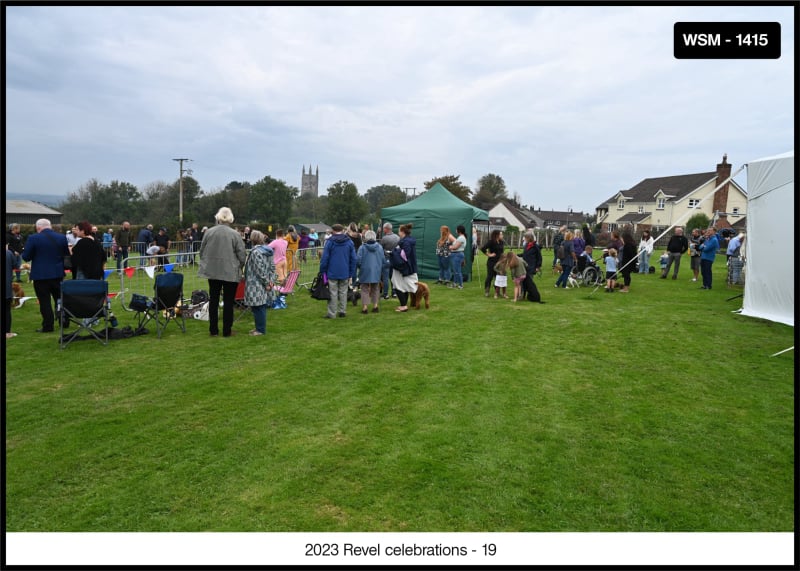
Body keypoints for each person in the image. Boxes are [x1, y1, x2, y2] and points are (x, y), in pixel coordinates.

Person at [198, 207, 247, 337]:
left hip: (213, 271)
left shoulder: (209, 232)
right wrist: (240, 265)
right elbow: (241, 254)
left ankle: (213, 330)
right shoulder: (235, 234)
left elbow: (202, 251)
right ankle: (227, 330)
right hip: (230, 272)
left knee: (213, 300)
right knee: (228, 301)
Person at [20, 218, 70, 333]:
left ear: (38, 228)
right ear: (50, 226)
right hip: (57, 273)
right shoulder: (61, 237)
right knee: (60, 298)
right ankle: (65, 321)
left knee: (44, 301)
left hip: (40, 274)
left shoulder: (33, 238)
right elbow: (66, 254)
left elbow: (26, 257)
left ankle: (48, 325)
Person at [243, 230, 277, 336]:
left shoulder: (255, 252)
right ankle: (259, 327)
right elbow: (272, 267)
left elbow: (259, 270)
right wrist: (271, 281)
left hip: (256, 283)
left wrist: (267, 283)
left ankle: (260, 330)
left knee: (258, 307)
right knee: (259, 306)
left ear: (253, 239)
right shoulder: (268, 250)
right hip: (265, 282)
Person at [319, 223, 357, 318]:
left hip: (332, 271)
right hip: (345, 271)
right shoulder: (349, 242)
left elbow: (325, 258)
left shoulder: (330, 242)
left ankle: (332, 313)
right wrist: (351, 272)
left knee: (333, 292)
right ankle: (342, 311)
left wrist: (322, 270)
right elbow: (353, 258)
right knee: (343, 292)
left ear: (333, 230)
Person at [391, 223, 418, 313]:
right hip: (408, 267)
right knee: (404, 286)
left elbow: (404, 256)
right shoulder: (408, 241)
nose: (398, 232)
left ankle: (403, 305)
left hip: (403, 268)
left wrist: (394, 252)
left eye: (399, 231)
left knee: (398, 285)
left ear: (402, 232)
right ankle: (404, 304)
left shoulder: (405, 242)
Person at [356, 230, 384, 314]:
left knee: (364, 288)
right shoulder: (379, 247)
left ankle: (365, 308)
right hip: (376, 270)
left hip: (365, 270)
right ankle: (375, 306)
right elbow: (383, 259)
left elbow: (358, 260)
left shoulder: (362, 247)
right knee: (376, 287)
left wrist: (360, 267)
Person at [481, 229, 504, 296]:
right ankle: (487, 290)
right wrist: (489, 254)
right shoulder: (491, 242)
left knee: (498, 276)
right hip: (492, 262)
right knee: (490, 276)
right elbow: (483, 248)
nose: (502, 235)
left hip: (499, 262)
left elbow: (501, 252)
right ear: (497, 235)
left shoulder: (501, 242)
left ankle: (497, 291)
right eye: (501, 234)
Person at [380, 222, 400, 299]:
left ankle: (385, 294)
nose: (383, 230)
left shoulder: (384, 238)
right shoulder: (397, 237)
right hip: (394, 259)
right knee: (393, 277)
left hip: (386, 259)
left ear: (386, 229)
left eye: (384, 228)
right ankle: (394, 293)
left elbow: (380, 249)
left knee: (385, 277)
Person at [6, 244, 20, 338]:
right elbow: (16, 265)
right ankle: (7, 333)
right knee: (6, 310)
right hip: (6, 287)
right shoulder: (8, 253)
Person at [448, 225, 468, 289]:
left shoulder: (461, 238)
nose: (455, 230)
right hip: (457, 255)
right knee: (455, 271)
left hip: (457, 255)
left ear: (459, 230)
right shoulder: (460, 237)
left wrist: (450, 247)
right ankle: (454, 284)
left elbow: (456, 247)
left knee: (457, 271)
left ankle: (461, 285)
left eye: (456, 229)